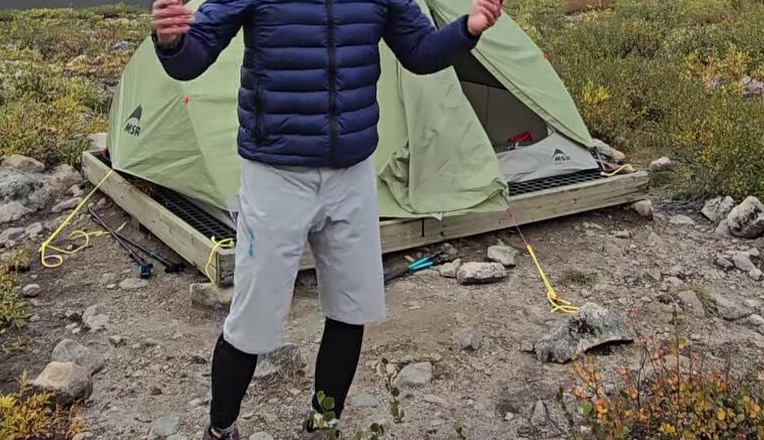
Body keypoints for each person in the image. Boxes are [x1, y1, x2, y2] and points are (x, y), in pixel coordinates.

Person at [149, 0, 503, 438]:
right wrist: (171, 42)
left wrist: (467, 29)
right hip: (275, 175)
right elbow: (193, 58)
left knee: (351, 309)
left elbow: (421, 52)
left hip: (351, 173)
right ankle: (221, 428)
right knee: (252, 318)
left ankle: (325, 421)